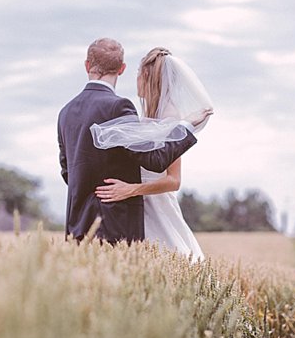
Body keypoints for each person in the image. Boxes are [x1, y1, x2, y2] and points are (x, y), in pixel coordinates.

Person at [57, 38, 211, 243]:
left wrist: (90, 194)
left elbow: (67, 170)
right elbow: (154, 161)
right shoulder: (119, 107)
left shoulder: (65, 112)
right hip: (116, 225)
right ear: (121, 69)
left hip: (77, 225)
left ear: (87, 65)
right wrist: (186, 128)